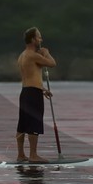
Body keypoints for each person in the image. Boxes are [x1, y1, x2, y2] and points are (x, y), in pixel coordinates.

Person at [15, 27, 57, 163]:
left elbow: (30, 76)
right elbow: (52, 63)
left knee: (22, 124)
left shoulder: (22, 55)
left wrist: (43, 89)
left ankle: (21, 155)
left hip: (26, 92)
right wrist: (47, 52)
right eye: (39, 37)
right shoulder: (33, 55)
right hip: (33, 94)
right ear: (33, 39)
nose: (41, 39)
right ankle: (33, 155)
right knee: (34, 123)